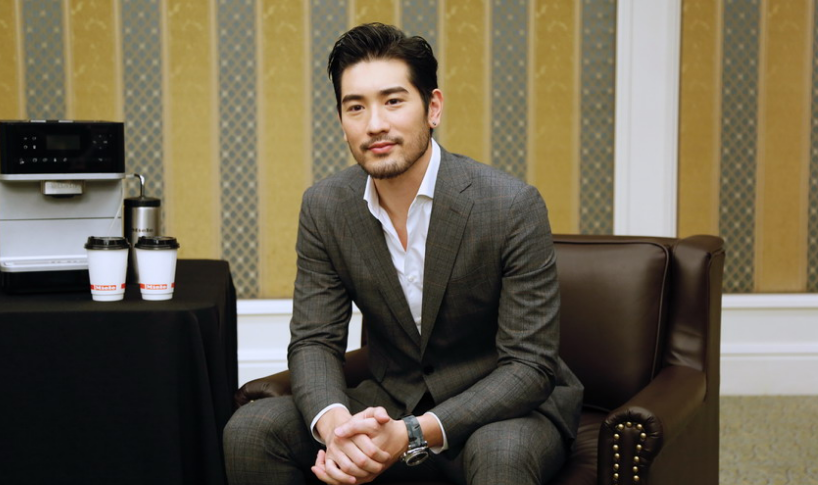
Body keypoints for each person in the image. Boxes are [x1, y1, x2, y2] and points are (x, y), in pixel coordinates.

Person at [223, 22, 583, 485]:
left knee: (502, 452)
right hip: (391, 399)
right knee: (251, 430)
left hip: (500, 409)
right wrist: (336, 429)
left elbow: (529, 366)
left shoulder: (511, 205)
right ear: (341, 120)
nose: (375, 124)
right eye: (356, 107)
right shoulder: (326, 206)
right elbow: (314, 340)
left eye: (393, 101)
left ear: (433, 108)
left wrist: (413, 433)